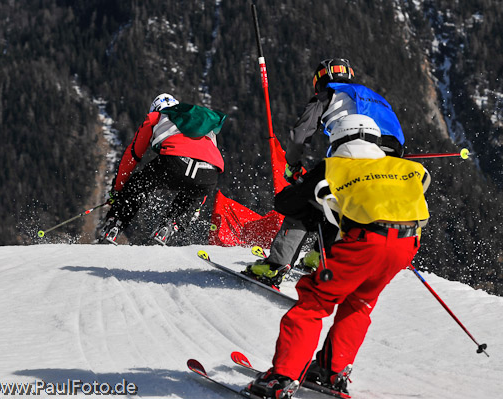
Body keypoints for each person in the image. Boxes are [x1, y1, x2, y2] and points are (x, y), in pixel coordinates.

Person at [245, 114, 430, 398]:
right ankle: (332, 371)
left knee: (314, 302)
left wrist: (308, 192)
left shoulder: (333, 167)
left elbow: (287, 203)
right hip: (407, 243)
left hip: (365, 242)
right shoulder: (407, 167)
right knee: (360, 302)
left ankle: (281, 379)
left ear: (338, 140)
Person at [245, 58, 406, 288]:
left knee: (299, 201)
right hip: (387, 167)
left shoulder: (328, 95)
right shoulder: (377, 99)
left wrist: (292, 164)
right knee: (339, 204)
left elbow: (301, 132)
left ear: (320, 81)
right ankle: (318, 258)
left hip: (349, 159)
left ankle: (275, 267)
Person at [99, 93, 226, 245]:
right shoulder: (203, 122)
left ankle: (114, 225)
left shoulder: (156, 117)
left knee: (138, 184)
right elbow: (208, 159)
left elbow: (132, 156)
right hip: (208, 176)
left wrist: (118, 191)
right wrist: (198, 204)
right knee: (192, 194)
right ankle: (169, 225)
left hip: (174, 163)